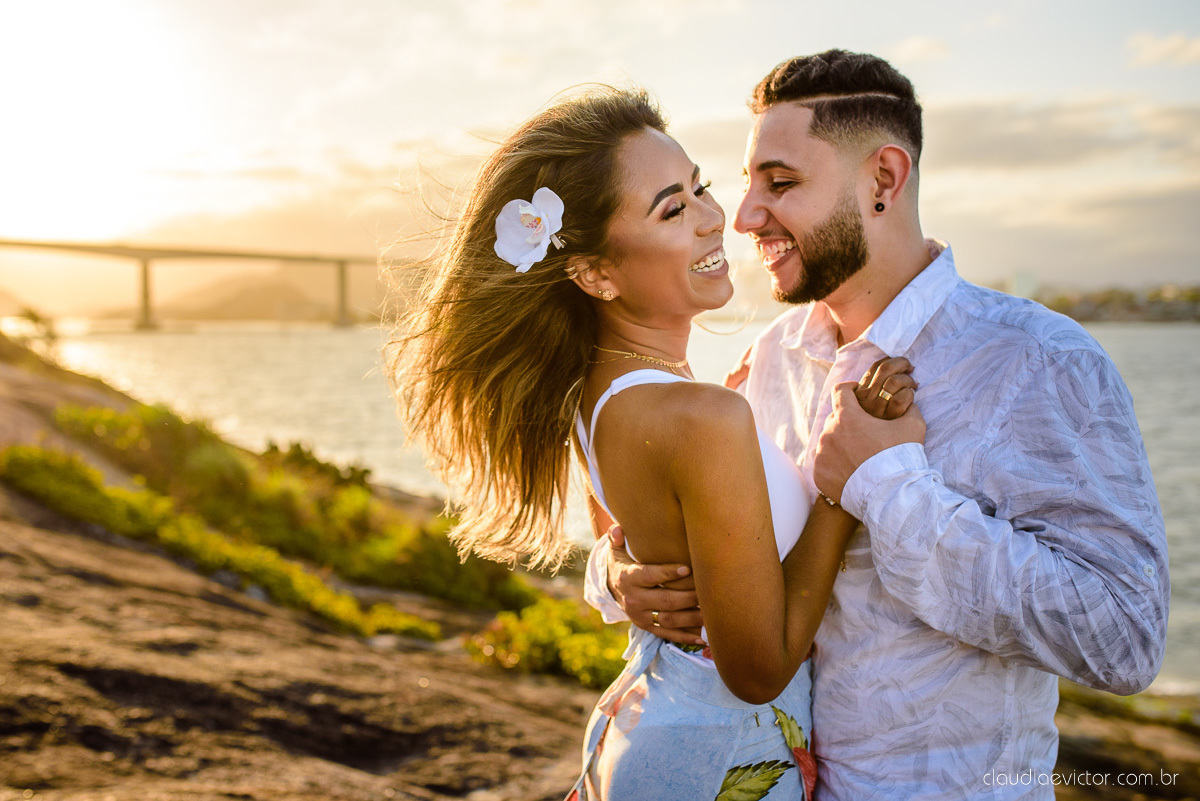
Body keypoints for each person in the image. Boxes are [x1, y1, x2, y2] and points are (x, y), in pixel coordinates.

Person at [586, 50, 1171, 800]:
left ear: (884, 181)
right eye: (746, 183)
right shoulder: (772, 359)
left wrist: (890, 486)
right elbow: (723, 552)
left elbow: (1125, 640)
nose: (744, 217)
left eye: (782, 183)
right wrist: (622, 577)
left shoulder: (1040, 361)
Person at [386, 87, 921, 800]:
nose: (713, 219)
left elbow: (633, 544)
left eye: (700, 187)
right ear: (594, 273)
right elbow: (756, 672)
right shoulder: (699, 417)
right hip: (716, 758)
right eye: (672, 208)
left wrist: (610, 572)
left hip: (654, 731)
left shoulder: (593, 395)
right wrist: (841, 479)